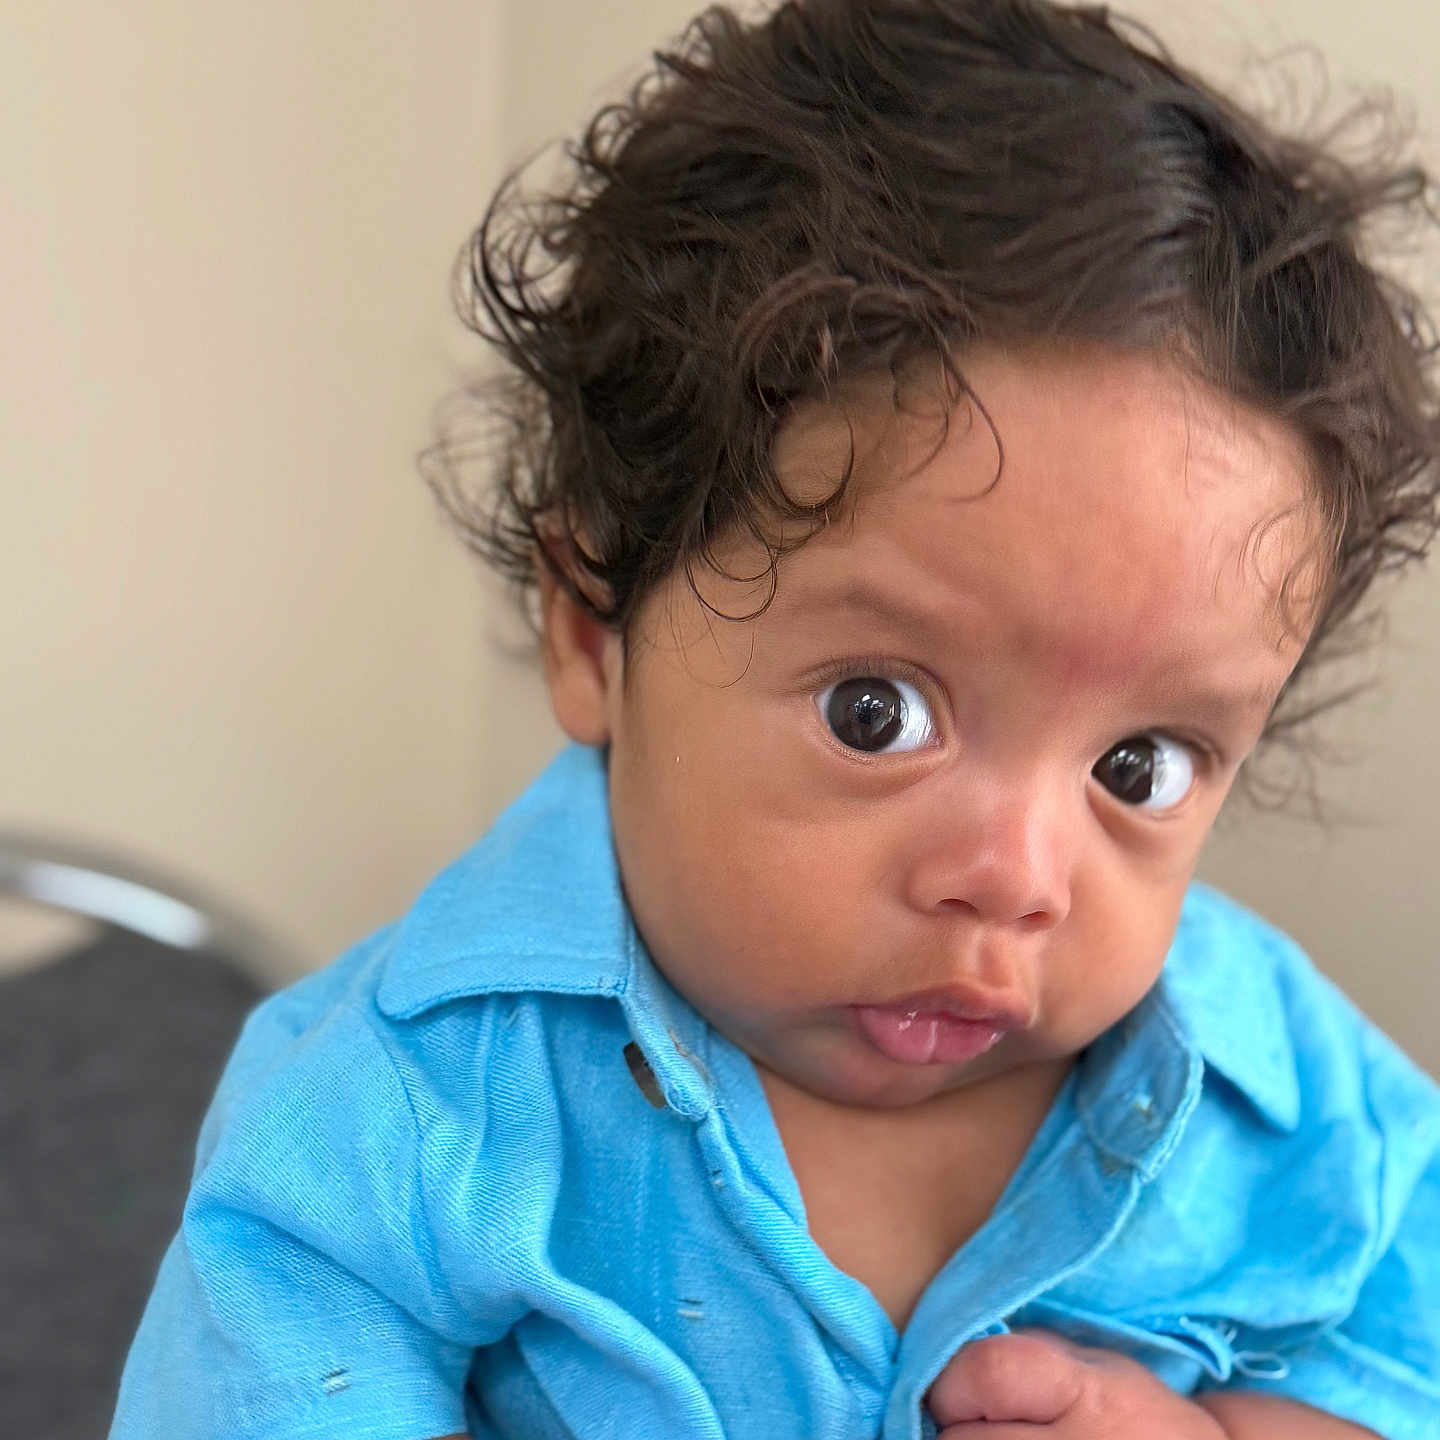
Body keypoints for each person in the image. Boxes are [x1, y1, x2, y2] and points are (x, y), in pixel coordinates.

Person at [110, 1, 1440, 1437]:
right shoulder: (394, 1122)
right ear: (591, 620)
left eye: (1141, 764)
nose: (1012, 875)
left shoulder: (1298, 1095)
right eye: (878, 713)